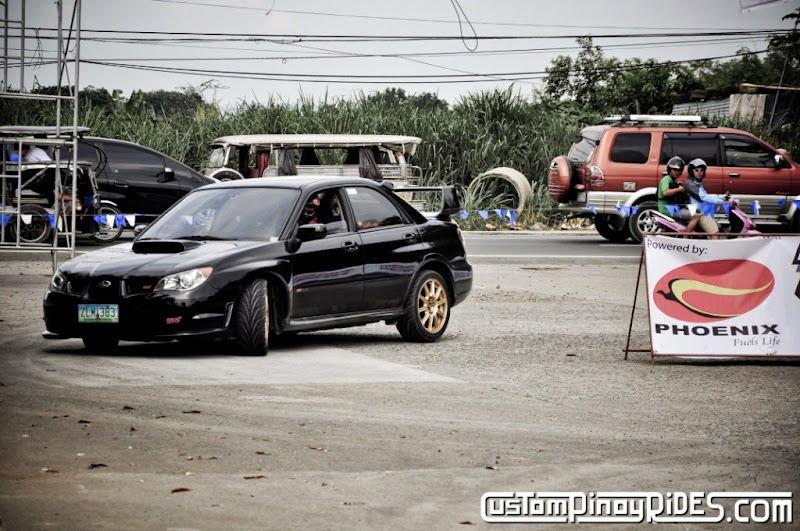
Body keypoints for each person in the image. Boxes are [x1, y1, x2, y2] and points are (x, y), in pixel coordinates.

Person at [685, 158, 726, 239]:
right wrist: (722, 201)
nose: (699, 172)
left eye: (701, 170)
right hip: (699, 213)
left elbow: (706, 196)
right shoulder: (690, 184)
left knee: (719, 226)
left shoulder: (698, 183)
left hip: (703, 211)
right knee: (715, 233)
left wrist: (723, 197)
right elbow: (703, 197)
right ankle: (714, 247)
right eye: (696, 170)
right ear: (691, 171)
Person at [657, 156, 700, 233]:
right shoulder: (666, 179)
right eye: (674, 170)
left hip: (672, 208)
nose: (677, 172)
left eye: (679, 170)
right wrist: (679, 189)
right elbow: (665, 192)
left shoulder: (671, 180)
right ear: (670, 169)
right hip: (668, 210)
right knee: (695, 216)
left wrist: (677, 185)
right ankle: (686, 237)